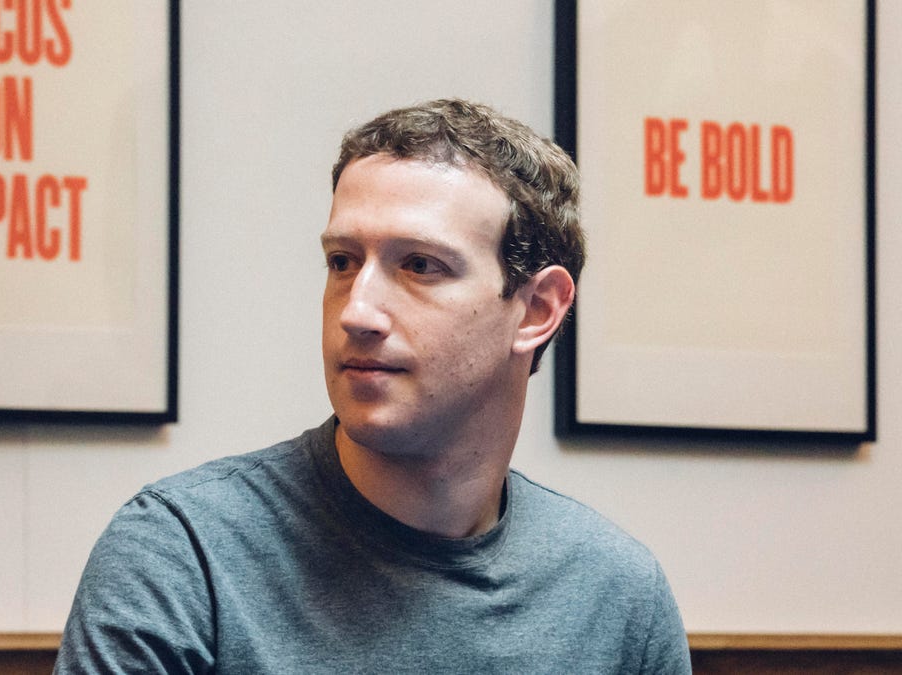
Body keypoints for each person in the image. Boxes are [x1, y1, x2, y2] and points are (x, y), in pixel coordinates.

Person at [55, 99, 691, 673]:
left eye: (419, 265)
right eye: (342, 262)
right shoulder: (182, 555)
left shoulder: (619, 597)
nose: (356, 311)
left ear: (536, 310)